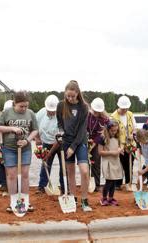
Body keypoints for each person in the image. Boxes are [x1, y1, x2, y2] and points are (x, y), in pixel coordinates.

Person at [0, 91, 39, 212]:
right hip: (9, 149)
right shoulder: (6, 113)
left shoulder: (30, 114)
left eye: (26, 106)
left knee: (25, 174)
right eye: (21, 106)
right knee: (11, 176)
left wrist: (27, 140)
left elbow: (35, 130)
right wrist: (12, 128)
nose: (24, 108)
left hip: (25, 149)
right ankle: (13, 202)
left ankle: (26, 201)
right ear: (14, 103)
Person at [56, 80, 92, 212]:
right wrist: (60, 132)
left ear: (77, 93)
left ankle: (85, 200)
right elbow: (60, 122)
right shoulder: (61, 106)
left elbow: (82, 130)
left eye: (72, 96)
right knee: (70, 172)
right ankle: (73, 198)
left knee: (84, 171)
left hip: (80, 141)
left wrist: (73, 146)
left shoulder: (83, 107)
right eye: (68, 96)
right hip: (66, 141)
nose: (70, 99)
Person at [35, 94, 65, 194]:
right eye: (49, 110)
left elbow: (58, 139)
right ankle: (42, 186)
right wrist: (37, 138)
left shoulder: (62, 115)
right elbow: (34, 127)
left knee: (63, 165)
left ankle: (64, 187)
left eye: (53, 111)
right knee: (45, 165)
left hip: (60, 143)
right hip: (46, 143)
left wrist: (49, 153)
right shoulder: (41, 113)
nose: (51, 112)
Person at [110, 95, 136, 191]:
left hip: (130, 144)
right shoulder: (113, 117)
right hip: (118, 145)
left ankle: (129, 183)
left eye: (126, 108)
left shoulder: (130, 114)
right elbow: (112, 133)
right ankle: (118, 184)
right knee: (118, 164)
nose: (125, 110)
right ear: (119, 106)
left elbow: (134, 127)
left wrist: (132, 134)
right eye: (123, 108)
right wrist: (118, 146)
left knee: (129, 164)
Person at [98, 120, 123, 206]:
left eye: (116, 130)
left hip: (115, 161)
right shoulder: (102, 138)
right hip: (107, 162)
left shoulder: (117, 137)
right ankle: (104, 198)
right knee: (109, 181)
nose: (114, 132)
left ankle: (111, 198)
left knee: (114, 181)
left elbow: (119, 146)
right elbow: (100, 152)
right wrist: (112, 152)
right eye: (112, 130)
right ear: (108, 129)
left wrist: (120, 150)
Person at [87, 97, 109, 192]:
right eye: (95, 111)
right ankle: (87, 183)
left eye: (98, 112)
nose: (96, 113)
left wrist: (92, 145)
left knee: (96, 162)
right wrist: (87, 144)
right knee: (85, 163)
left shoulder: (104, 119)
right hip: (84, 141)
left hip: (96, 142)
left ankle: (96, 184)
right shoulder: (86, 115)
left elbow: (100, 134)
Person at [0, 99, 13, 195]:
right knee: (1, 163)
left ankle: (13, 185)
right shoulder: (2, 117)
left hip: (14, 145)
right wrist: (0, 143)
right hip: (4, 144)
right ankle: (4, 184)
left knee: (12, 166)